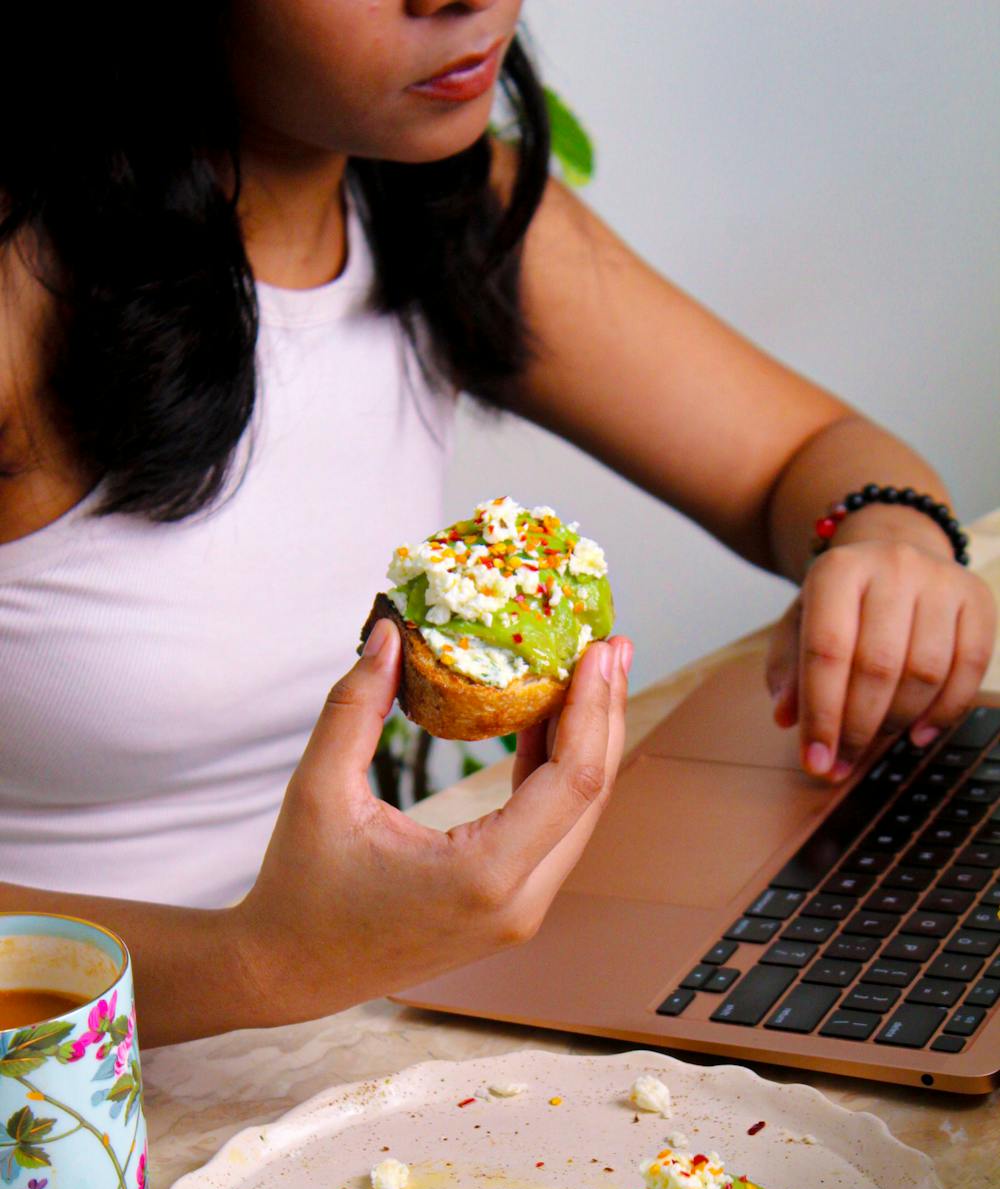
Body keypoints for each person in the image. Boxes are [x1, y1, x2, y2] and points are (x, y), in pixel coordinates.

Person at [1, 2, 993, 1048]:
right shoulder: (23, 292)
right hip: (79, 1099)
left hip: (348, 1022)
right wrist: (271, 959)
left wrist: (884, 537)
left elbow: (806, 454)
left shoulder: (440, 205)